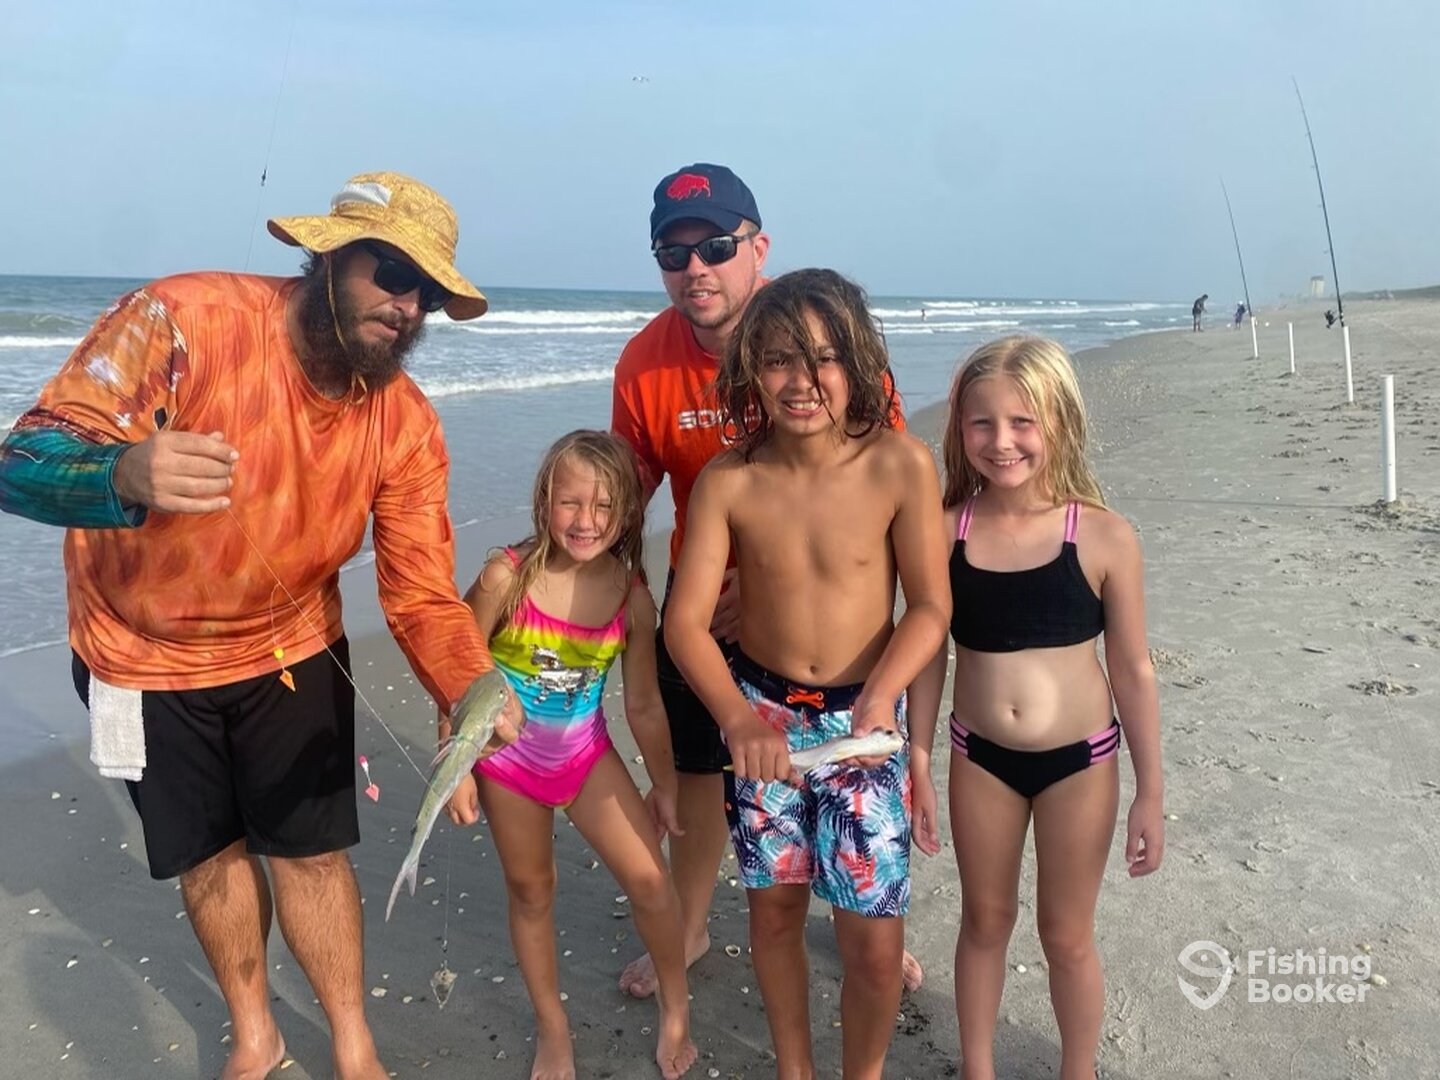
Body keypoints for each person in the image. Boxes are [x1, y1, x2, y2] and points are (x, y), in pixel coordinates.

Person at [0, 171, 522, 1080]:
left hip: (290, 649)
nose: (406, 305)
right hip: (136, 655)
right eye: (392, 272)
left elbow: (419, 591)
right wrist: (120, 473)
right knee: (208, 857)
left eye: (427, 293)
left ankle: (353, 1044)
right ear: (329, 255)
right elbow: (21, 457)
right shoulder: (185, 321)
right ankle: (256, 1032)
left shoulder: (403, 422)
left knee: (312, 855)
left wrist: (470, 685)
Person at [610, 163, 925, 998]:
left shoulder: (824, 334)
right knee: (703, 763)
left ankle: (865, 919)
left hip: (825, 608)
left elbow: (878, 471)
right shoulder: (643, 362)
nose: (696, 269)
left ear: (759, 247)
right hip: (701, 597)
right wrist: (587, 585)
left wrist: (772, 581)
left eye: (716, 247)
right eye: (673, 254)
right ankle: (691, 925)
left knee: (854, 765)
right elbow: (625, 495)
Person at [664, 268, 951, 1080]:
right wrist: (736, 717)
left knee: (873, 943)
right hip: (764, 724)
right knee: (775, 916)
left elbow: (931, 606)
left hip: (865, 726)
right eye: (780, 359)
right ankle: (795, 1068)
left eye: (824, 357)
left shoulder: (899, 464)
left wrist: (884, 697)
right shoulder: (731, 479)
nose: (803, 380)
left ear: (857, 363)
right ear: (750, 369)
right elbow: (683, 623)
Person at [910, 335, 1165, 1080]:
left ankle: (1077, 1069)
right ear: (960, 429)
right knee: (985, 921)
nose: (1002, 441)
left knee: (1066, 934)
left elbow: (1133, 670)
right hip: (979, 758)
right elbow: (927, 655)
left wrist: (1150, 790)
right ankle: (977, 1068)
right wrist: (918, 759)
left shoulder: (1104, 536)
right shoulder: (944, 532)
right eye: (982, 423)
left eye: (1023, 422)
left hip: (1080, 765)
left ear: (1060, 422)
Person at [443, 430, 697, 1080]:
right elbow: (455, 665)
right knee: (532, 890)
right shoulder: (506, 576)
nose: (586, 520)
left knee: (651, 881)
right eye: (571, 503)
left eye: (604, 506)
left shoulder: (632, 598)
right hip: (507, 762)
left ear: (628, 512)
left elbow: (643, 704)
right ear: (544, 501)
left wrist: (665, 785)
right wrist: (456, 767)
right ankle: (552, 1026)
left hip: (584, 755)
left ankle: (675, 1007)